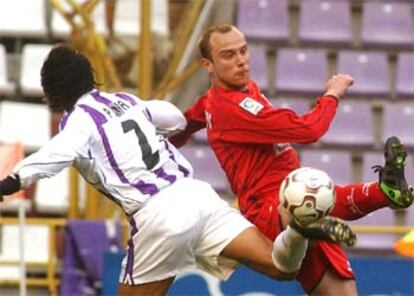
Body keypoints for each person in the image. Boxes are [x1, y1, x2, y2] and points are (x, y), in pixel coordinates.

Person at [0, 45, 356, 295]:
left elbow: (57, 153)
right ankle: (298, 227)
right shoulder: (125, 100)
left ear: (54, 92)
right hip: (197, 195)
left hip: (159, 216)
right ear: (89, 78)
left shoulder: (76, 122)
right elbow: (170, 117)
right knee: (281, 266)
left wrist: (16, 178)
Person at [169, 24, 414, 295]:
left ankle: (384, 192)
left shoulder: (224, 97)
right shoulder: (230, 108)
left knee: (341, 284)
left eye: (243, 51)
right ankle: (306, 223)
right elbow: (309, 131)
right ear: (208, 64)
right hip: (268, 210)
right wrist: (332, 95)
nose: (241, 61)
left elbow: (189, 119)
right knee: (305, 195)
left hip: (293, 193)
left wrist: (168, 142)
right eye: (228, 55)